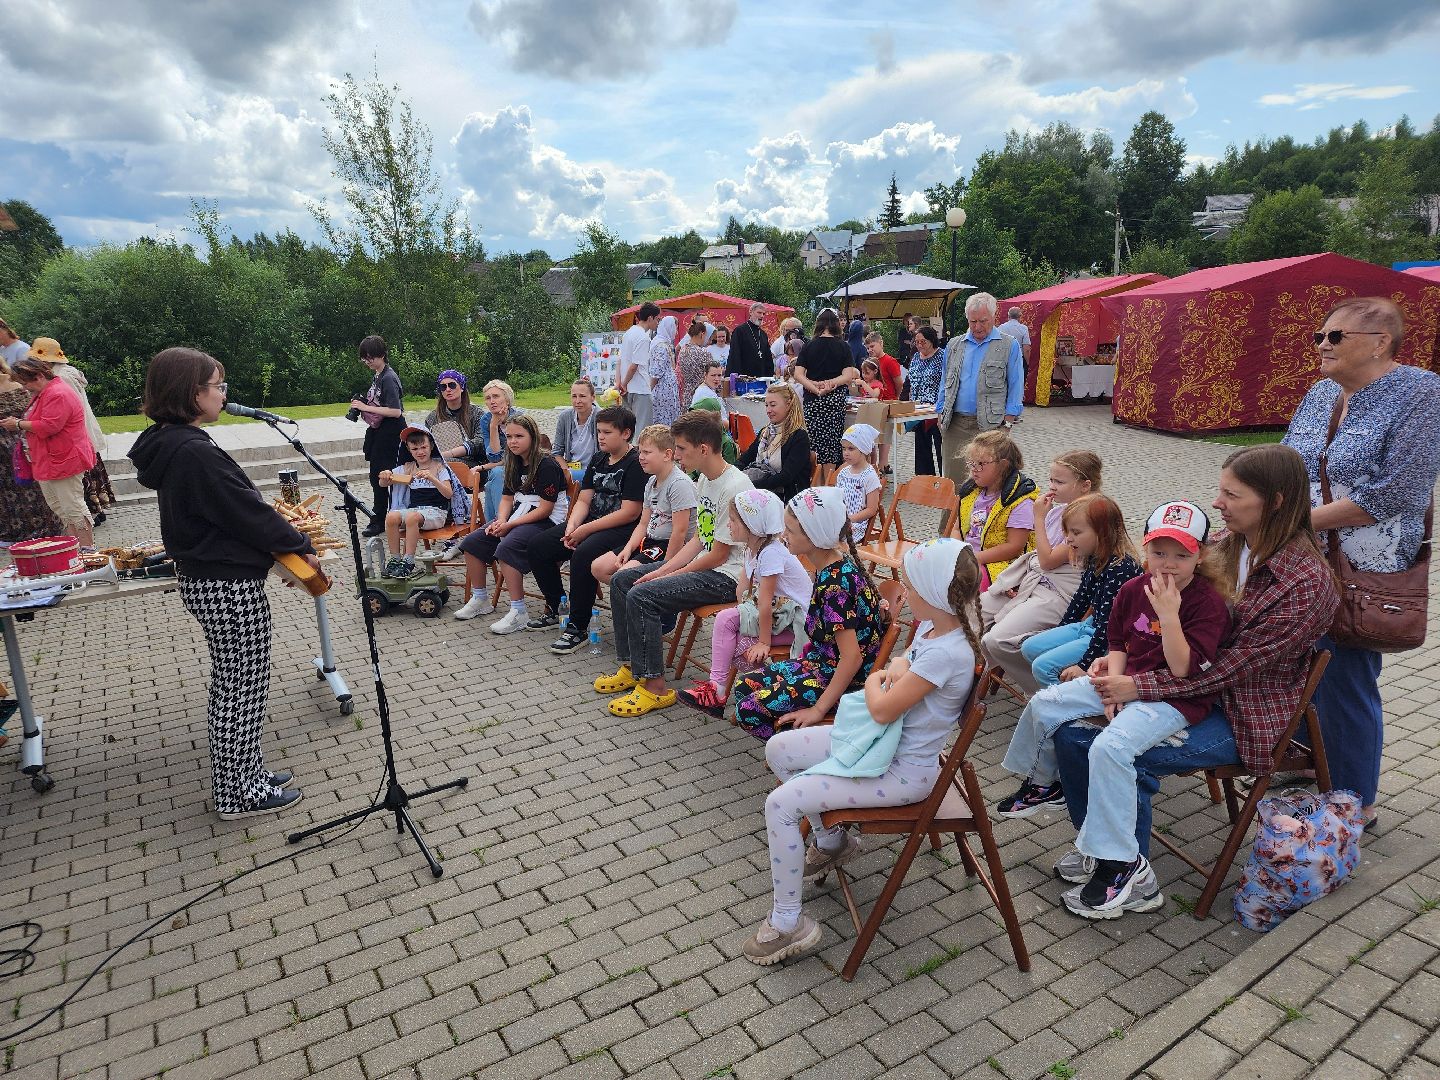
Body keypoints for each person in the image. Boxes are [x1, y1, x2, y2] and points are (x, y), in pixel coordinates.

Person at [1053, 445, 1339, 915]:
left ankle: (1128, 872)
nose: (1218, 503)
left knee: (1119, 751)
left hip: (1242, 712)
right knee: (1069, 733)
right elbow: (1158, 619)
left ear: (1277, 501)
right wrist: (1119, 661)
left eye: (1231, 493)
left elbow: (1227, 671)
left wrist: (1139, 686)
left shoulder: (1304, 583)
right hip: (1186, 689)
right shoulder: (1230, 545)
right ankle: (1107, 850)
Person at [743, 537, 981, 964]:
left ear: (932, 594)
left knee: (780, 804)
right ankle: (833, 842)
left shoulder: (949, 652)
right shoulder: (936, 627)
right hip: (878, 747)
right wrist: (894, 670)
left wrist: (878, 680)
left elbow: (883, 704)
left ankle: (787, 921)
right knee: (780, 749)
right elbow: (904, 663)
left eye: (909, 586)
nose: (903, 593)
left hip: (900, 773)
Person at [996, 501, 1232, 918]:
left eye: (1182, 555)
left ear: (1201, 555)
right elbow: (1118, 643)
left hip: (1173, 699)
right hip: (1127, 681)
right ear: (1145, 551)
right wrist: (1113, 691)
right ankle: (1043, 782)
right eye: (1159, 553)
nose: (1169, 564)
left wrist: (1169, 615)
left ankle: (1122, 863)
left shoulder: (1206, 602)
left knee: (1110, 748)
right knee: (1046, 703)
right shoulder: (1131, 588)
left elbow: (1182, 670)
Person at [129, 347, 317, 819]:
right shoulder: (191, 450)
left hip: (211, 578)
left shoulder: (174, 440)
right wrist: (296, 539)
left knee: (238, 683)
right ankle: (237, 793)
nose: (224, 394)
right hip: (224, 584)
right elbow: (243, 512)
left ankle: (246, 771)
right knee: (240, 688)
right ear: (193, 393)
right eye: (218, 386)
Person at [1282, 296, 1440, 828]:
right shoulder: (1323, 392)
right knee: (1301, 659)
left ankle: (1354, 799)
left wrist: (1301, 523)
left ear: (1379, 343)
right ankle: (1309, 761)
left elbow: (1399, 489)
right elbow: (1287, 460)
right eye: (1320, 336)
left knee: (1346, 672)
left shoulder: (1421, 392)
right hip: (1304, 555)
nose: (1321, 346)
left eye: (1334, 337)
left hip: (1364, 563)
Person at [595, 411, 753, 716]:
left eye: (681, 449)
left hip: (729, 577)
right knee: (622, 580)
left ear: (703, 449)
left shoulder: (735, 487)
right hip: (708, 565)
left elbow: (719, 554)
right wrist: (664, 569)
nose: (676, 455)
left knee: (643, 595)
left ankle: (655, 689)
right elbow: (698, 540)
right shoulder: (707, 479)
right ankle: (633, 666)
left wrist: (668, 575)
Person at [732, 487, 887, 741]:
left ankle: (803, 753)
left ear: (815, 535)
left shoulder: (834, 587)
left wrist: (818, 709)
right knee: (743, 686)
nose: (783, 535)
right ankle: (796, 746)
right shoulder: (835, 565)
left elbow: (852, 659)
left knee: (749, 710)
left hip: (842, 680)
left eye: (790, 530)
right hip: (821, 664)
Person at [485, 406, 641, 635]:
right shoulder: (598, 459)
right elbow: (584, 500)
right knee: (538, 545)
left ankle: (578, 626)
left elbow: (630, 512)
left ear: (626, 433)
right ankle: (557, 606)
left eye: (607, 432)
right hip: (590, 522)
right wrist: (571, 526)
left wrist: (584, 530)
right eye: (598, 431)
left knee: (582, 555)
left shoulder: (635, 463)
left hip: (621, 529)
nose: (600, 437)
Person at [677, 488, 813, 717]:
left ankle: (722, 693)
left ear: (752, 524)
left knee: (731, 629)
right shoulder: (753, 549)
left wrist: (763, 642)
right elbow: (744, 594)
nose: (728, 525)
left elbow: (765, 601)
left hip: (798, 621)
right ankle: (743, 692)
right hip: (778, 614)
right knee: (734, 639)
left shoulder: (770, 552)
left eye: (732, 520)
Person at [981, 450, 1100, 692]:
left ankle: (1045, 688)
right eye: (1051, 480)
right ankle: (964, 673)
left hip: (1059, 593)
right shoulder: (1059, 511)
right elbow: (1040, 559)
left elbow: (1047, 561)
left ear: (1085, 485)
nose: (1051, 487)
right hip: (1036, 582)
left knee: (997, 640)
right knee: (971, 614)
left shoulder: (1088, 519)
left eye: (1059, 481)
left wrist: (1038, 517)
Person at [457, 414, 569, 634]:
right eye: (509, 437)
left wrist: (509, 526)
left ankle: (519, 611)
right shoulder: (513, 462)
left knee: (506, 548)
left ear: (533, 436)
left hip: (546, 520)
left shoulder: (546, 464)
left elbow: (546, 508)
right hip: (519, 514)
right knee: (473, 542)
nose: (513, 441)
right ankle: (480, 598)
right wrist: (501, 520)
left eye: (519, 436)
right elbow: (507, 498)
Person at [1021, 494, 1143, 689]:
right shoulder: (1095, 556)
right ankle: (1056, 694)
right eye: (1068, 532)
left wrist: (1083, 664)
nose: (1068, 539)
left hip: (1110, 640)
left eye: (1076, 532)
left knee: (1042, 667)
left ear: (1102, 533)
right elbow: (1080, 601)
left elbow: (1108, 628)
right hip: (1089, 626)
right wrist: (1061, 632)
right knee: (1029, 648)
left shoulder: (1120, 569)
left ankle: (1062, 707)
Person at [590, 424, 698, 628]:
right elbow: (643, 523)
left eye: (647, 452)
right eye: (640, 451)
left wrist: (664, 570)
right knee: (599, 567)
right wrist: (628, 548)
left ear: (667, 454)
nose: (640, 457)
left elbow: (680, 532)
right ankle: (639, 612)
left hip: (669, 546)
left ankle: (651, 617)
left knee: (622, 576)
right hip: (649, 541)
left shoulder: (679, 484)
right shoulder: (651, 483)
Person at [2, 356, 96, 548]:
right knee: (61, 509)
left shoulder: (58, 393)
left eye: (25, 383)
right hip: (49, 462)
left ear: (38, 376)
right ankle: (75, 549)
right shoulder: (44, 392)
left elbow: (49, 426)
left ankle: (88, 550)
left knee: (73, 507)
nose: (24, 388)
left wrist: (18, 424)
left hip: (65, 461)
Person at [935, 293, 1024, 489]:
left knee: (989, 483)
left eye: (983, 321)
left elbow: (1016, 384)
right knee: (954, 484)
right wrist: (940, 409)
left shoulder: (1009, 345)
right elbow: (944, 380)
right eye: (973, 321)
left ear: (994, 317)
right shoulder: (954, 345)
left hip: (991, 425)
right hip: (955, 423)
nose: (977, 326)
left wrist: (1008, 422)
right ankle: (953, 520)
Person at [26, 338, 114, 525]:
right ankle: (88, 520)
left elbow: (65, 413)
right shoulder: (64, 374)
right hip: (77, 438)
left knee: (76, 493)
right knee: (80, 490)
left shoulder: (62, 378)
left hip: (72, 441)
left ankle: (87, 527)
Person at [378, 426, 465, 579]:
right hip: (416, 512)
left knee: (412, 517)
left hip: (436, 513)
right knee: (391, 516)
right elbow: (383, 484)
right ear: (409, 450)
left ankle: (408, 560)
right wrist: (385, 475)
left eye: (423, 447)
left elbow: (448, 493)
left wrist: (432, 478)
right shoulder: (409, 467)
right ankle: (395, 559)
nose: (420, 452)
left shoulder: (440, 467)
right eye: (415, 448)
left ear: (431, 446)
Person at [955, 429, 1037, 588]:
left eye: (980, 464)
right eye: (971, 463)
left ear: (1003, 465)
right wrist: (956, 551)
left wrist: (973, 558)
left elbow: (1014, 547)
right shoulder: (971, 492)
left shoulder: (1020, 500)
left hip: (1001, 565)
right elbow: (957, 528)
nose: (973, 469)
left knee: (963, 582)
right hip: (968, 557)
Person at [0, 353, 63, 543]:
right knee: (34, 489)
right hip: (25, 444)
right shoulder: (19, 385)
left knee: (8, 493)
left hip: (8, 447)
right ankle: (48, 527)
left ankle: (13, 533)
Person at [350, 335, 405, 538]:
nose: (367, 361)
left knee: (381, 476)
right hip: (380, 431)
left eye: (370, 357)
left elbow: (396, 411)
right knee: (377, 476)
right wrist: (363, 403)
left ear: (381, 355)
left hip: (391, 431)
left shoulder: (388, 377)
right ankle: (384, 516)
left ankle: (381, 519)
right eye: (365, 358)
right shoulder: (378, 374)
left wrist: (364, 407)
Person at [794, 309, 860, 469]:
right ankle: (829, 484)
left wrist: (815, 388)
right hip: (834, 401)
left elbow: (798, 374)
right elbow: (848, 375)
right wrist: (830, 384)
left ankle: (815, 482)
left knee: (814, 443)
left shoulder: (809, 345)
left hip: (812, 401)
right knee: (831, 443)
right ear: (837, 325)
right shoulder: (843, 346)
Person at [737, 383, 812, 502]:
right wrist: (729, 473)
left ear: (788, 405)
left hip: (788, 500)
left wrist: (751, 485)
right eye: (766, 405)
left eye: (773, 405)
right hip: (763, 493)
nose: (768, 410)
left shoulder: (799, 437)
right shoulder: (765, 432)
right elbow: (744, 459)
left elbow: (785, 477)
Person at [474, 379, 524, 526]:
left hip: (521, 466)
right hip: (501, 466)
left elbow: (519, 455)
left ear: (507, 399)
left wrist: (485, 467)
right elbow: (493, 456)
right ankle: (494, 526)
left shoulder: (518, 418)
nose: (492, 401)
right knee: (491, 483)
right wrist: (494, 425)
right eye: (488, 398)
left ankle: (496, 525)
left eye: (496, 396)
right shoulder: (486, 420)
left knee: (496, 475)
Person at [425, 370, 488, 470]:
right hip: (439, 461)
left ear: (462, 387)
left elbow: (481, 441)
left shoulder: (477, 414)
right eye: (443, 387)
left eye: (452, 385)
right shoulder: (432, 418)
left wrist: (451, 453)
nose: (448, 389)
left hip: (473, 464)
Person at [906, 326, 945, 475]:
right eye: (917, 342)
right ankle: (925, 480)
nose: (920, 345)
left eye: (923, 341)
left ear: (932, 340)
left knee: (940, 446)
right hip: (918, 409)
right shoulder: (916, 357)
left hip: (936, 409)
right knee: (922, 447)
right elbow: (911, 380)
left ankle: (945, 479)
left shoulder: (942, 355)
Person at [618, 301, 661, 430]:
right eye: (657, 319)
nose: (658, 323)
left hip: (629, 389)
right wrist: (624, 383)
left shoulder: (629, 333)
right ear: (650, 318)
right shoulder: (644, 338)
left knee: (628, 429)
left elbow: (620, 360)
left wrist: (620, 383)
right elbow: (634, 366)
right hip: (640, 389)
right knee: (642, 430)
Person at [835, 423, 882, 542]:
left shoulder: (869, 476)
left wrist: (850, 519)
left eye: (851, 448)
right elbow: (836, 499)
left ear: (864, 450)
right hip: (840, 519)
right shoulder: (843, 473)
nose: (846, 452)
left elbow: (871, 509)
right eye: (844, 448)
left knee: (826, 539)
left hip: (856, 524)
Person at [551, 377, 599, 480]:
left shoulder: (600, 416)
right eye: (574, 396)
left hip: (595, 470)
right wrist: (566, 472)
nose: (577, 401)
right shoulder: (565, 417)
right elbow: (556, 452)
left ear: (593, 397)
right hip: (571, 468)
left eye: (582, 396)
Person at [649, 315, 683, 429]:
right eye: (674, 328)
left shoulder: (663, 342)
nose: (676, 332)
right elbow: (657, 372)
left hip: (667, 387)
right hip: (663, 389)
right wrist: (649, 390)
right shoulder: (661, 346)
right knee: (664, 421)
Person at [676, 319, 714, 413]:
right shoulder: (703, 353)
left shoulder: (683, 350)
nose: (709, 342)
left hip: (687, 393)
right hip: (701, 396)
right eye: (709, 338)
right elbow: (712, 375)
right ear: (702, 334)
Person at [729, 302, 774, 379]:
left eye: (763, 314)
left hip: (761, 377)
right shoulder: (740, 331)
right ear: (751, 312)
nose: (761, 316)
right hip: (745, 377)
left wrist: (769, 377)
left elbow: (768, 358)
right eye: (759, 313)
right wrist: (737, 378)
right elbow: (735, 355)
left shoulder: (763, 334)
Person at [998, 306, 1032, 372]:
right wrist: (1027, 363)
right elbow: (1026, 349)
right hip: (1018, 359)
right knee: (1019, 381)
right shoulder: (1023, 328)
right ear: (1020, 316)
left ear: (1008, 316)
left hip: (1004, 359)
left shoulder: (1001, 328)